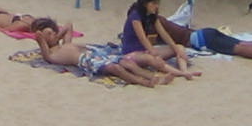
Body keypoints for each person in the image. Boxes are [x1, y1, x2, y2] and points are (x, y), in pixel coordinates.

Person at [32, 23, 190, 85]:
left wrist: (56, 37)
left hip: (96, 53)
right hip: (86, 60)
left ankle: (154, 78)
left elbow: (68, 26)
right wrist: (43, 40)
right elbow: (44, 50)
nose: (53, 34)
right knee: (116, 68)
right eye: (49, 34)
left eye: (53, 32)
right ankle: (144, 82)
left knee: (127, 63)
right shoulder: (51, 54)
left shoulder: (64, 44)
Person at [121, 0, 190, 61]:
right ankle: (179, 72)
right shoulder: (135, 16)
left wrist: (176, 49)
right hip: (132, 52)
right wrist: (152, 51)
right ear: (145, 3)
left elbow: (163, 33)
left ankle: (184, 70)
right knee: (153, 59)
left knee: (179, 48)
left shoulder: (152, 16)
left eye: (157, 4)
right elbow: (142, 38)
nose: (156, 6)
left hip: (145, 50)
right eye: (154, 3)